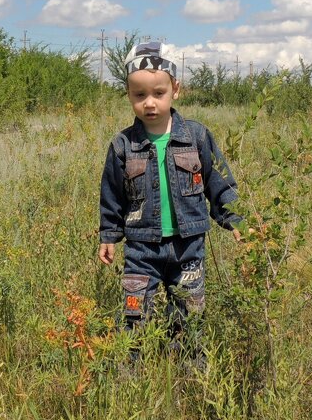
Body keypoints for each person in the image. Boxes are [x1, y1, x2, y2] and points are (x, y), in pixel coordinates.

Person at [98, 41, 243, 363]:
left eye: (158, 93)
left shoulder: (196, 136)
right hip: (141, 249)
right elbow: (111, 194)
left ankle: (192, 380)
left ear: (176, 89)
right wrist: (109, 235)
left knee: (189, 318)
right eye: (139, 95)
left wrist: (235, 220)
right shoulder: (124, 145)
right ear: (128, 94)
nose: (149, 103)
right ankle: (131, 382)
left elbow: (217, 181)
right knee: (135, 319)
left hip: (188, 247)